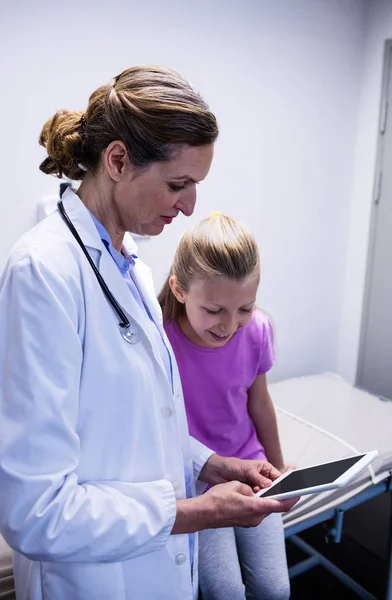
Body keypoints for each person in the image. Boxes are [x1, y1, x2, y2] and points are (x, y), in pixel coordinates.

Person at [0, 66, 297, 600]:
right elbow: (36, 513)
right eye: (178, 184)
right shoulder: (42, 274)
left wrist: (211, 464)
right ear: (116, 161)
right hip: (92, 580)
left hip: (154, 570)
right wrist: (197, 513)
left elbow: (142, 428)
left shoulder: (132, 264)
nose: (190, 207)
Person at [159, 213, 291, 600]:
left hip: (251, 464)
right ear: (179, 290)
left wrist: (280, 470)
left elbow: (260, 403)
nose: (230, 325)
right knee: (224, 591)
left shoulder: (258, 331)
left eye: (244, 309)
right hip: (198, 478)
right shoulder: (160, 339)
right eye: (214, 310)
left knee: (275, 589)